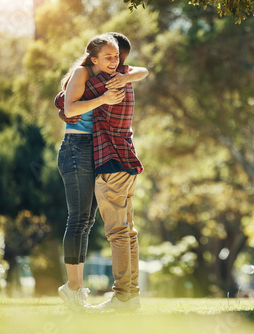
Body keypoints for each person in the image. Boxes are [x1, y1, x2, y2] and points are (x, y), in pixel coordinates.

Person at [57, 32, 148, 311]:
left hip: (99, 151)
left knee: (89, 222)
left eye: (117, 57)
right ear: (95, 57)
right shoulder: (86, 74)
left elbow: (142, 71)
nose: (115, 62)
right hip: (77, 148)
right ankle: (76, 288)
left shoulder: (116, 77)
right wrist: (106, 97)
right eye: (109, 57)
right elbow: (68, 107)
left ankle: (118, 294)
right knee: (80, 219)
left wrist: (125, 78)